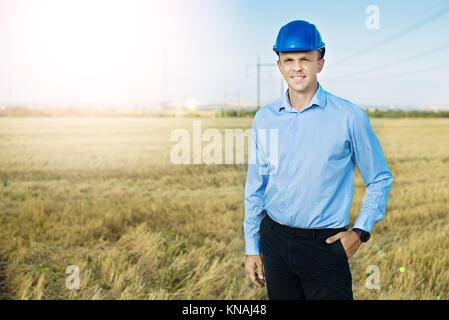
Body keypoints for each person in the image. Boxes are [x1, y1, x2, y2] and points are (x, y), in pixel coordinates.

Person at [243, 20, 394, 300]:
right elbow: (256, 185)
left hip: (324, 246)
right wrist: (252, 246)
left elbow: (380, 178)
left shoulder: (350, 117)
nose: (296, 67)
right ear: (279, 66)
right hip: (274, 240)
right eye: (288, 60)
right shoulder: (264, 117)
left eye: (305, 59)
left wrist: (360, 231)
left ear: (320, 63)